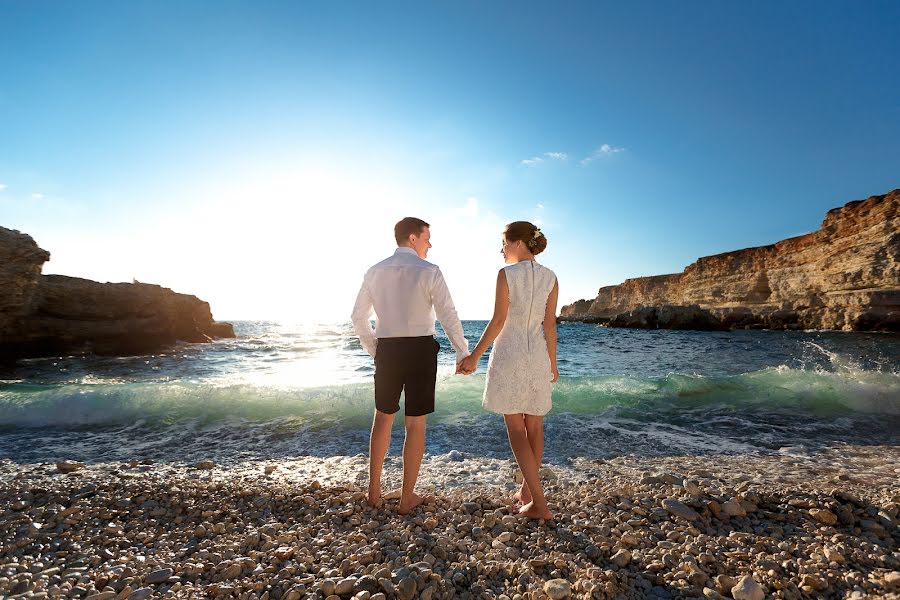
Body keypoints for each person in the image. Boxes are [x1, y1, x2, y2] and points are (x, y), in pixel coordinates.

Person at [351, 217, 470, 514]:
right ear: (413, 237)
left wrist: (375, 348)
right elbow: (448, 314)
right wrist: (461, 352)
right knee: (415, 424)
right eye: (427, 237)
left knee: (382, 418)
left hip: (387, 350)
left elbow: (358, 317)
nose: (430, 243)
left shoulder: (374, 271)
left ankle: (374, 492)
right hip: (419, 349)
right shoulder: (430, 271)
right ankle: (406, 499)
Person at [458, 221, 559, 520]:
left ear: (517, 243)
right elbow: (549, 325)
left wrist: (474, 356)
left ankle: (539, 503)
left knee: (516, 428)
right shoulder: (551, 276)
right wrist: (553, 362)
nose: (501, 249)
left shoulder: (506, 274)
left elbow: (499, 320)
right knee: (535, 426)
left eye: (503, 242)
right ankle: (527, 493)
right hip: (537, 354)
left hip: (510, 354)